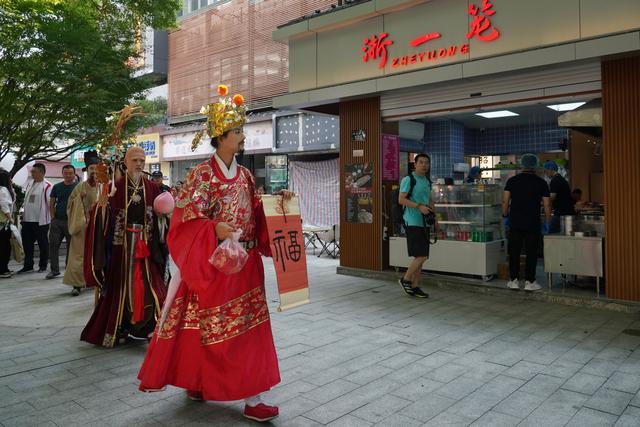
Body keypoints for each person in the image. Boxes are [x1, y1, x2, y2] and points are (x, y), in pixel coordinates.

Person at [138, 85, 284, 422]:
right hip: (216, 266)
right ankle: (205, 381)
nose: (242, 136)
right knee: (213, 330)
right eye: (237, 131)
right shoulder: (201, 175)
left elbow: (257, 213)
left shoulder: (246, 175)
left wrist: (280, 203)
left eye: (241, 130)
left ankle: (252, 396)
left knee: (249, 332)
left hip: (245, 265)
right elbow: (185, 216)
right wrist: (212, 229)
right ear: (220, 137)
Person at [80, 146, 167, 347]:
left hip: (145, 244)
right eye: (135, 160)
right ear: (125, 162)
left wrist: (164, 217)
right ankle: (120, 326)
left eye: (142, 160)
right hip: (122, 246)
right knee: (120, 285)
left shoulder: (152, 188)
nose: (139, 163)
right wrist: (101, 209)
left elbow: (160, 217)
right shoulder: (115, 187)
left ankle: (150, 326)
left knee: (149, 284)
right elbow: (101, 218)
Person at [503, 154, 552, 291]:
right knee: (531, 253)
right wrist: (548, 221)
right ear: (535, 166)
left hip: (515, 222)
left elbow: (505, 201)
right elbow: (547, 205)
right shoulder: (541, 182)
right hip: (533, 223)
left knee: (514, 252)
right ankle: (530, 282)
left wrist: (504, 215)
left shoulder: (512, 181)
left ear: (522, 165)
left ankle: (513, 280)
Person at [397, 153, 434, 299]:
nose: (424, 165)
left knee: (421, 256)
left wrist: (434, 217)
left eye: (427, 163)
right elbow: (401, 199)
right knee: (422, 255)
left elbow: (430, 200)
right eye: (421, 162)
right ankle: (405, 279)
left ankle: (415, 285)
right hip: (412, 221)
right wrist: (418, 206)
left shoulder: (426, 181)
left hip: (424, 221)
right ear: (415, 164)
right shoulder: (408, 179)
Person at [62, 151, 99, 295]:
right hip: (82, 225)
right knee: (78, 254)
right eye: (91, 169)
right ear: (87, 170)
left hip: (98, 226)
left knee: (96, 253)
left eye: (96, 168)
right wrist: (79, 199)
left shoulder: (104, 186)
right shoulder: (79, 187)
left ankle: (95, 280)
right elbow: (70, 205)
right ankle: (76, 284)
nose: (94, 172)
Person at [18, 163, 52, 274]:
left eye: (34, 171)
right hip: (27, 220)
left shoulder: (47, 186)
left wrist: (51, 218)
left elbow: (50, 204)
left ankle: (43, 265)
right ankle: (28, 265)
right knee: (27, 244)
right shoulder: (30, 183)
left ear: (41, 172)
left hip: (40, 220)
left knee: (43, 244)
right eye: (31, 171)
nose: (31, 173)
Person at [46, 165, 78, 279]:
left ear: (74, 174)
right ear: (62, 173)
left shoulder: (79, 186)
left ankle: (69, 270)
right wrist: (53, 217)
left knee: (71, 248)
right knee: (53, 245)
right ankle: (54, 270)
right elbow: (52, 203)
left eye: (70, 173)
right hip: (57, 221)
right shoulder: (57, 187)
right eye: (66, 173)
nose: (68, 175)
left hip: (72, 221)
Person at [544, 160, 575, 233]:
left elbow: (552, 197)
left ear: (550, 169)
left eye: (546, 171)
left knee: (552, 234)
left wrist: (543, 200)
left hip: (562, 214)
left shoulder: (555, 180)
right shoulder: (560, 179)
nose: (546, 173)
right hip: (566, 212)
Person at [0, 170, 15, 278]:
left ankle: (4, 268)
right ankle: (3, 269)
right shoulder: (3, 189)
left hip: (3, 223)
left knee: (4, 246)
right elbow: (4, 204)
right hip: (3, 223)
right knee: (4, 247)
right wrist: (10, 218)